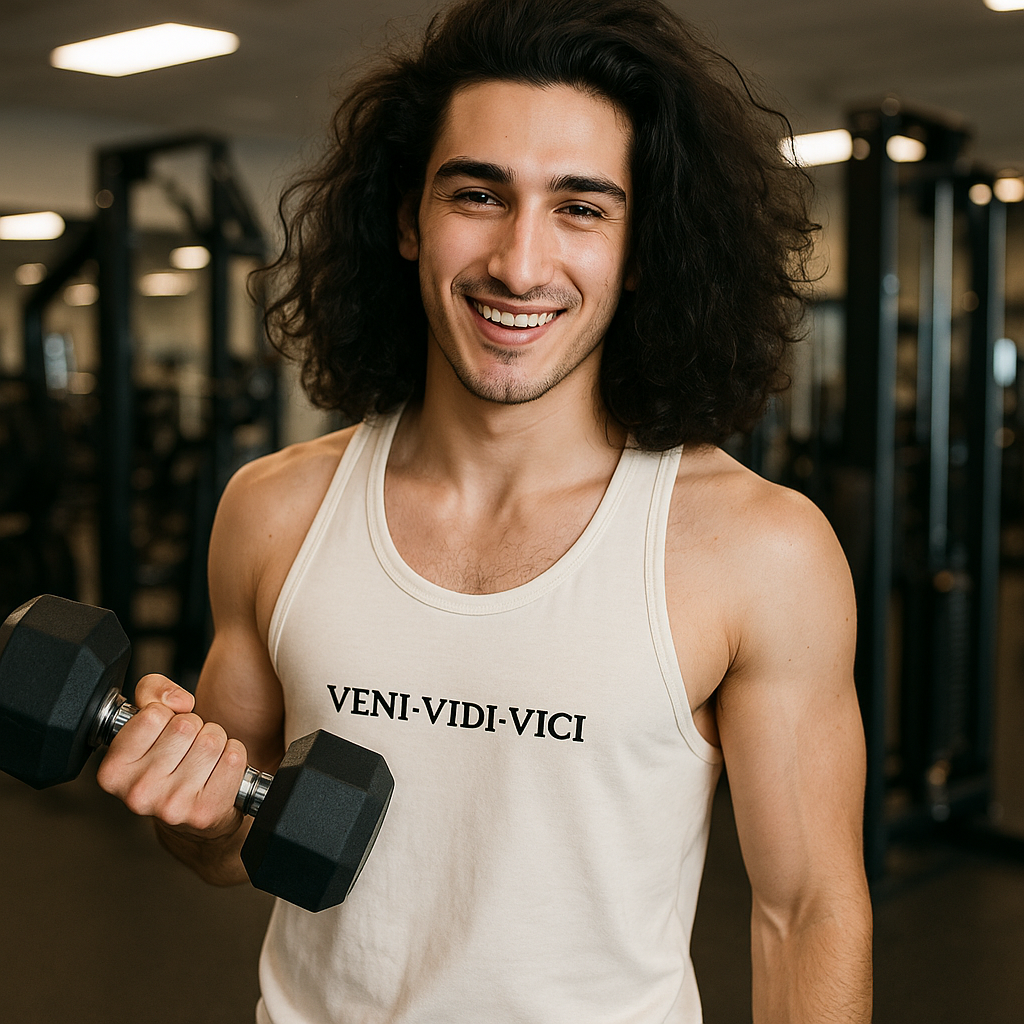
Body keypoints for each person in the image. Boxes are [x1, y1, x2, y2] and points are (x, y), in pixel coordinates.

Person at [97, 0, 872, 1021]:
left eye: (581, 207)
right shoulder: (276, 509)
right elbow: (231, 845)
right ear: (408, 220)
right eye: (479, 194)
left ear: (640, 252)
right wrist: (195, 815)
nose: (518, 261)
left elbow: (807, 907)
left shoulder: (754, 548)